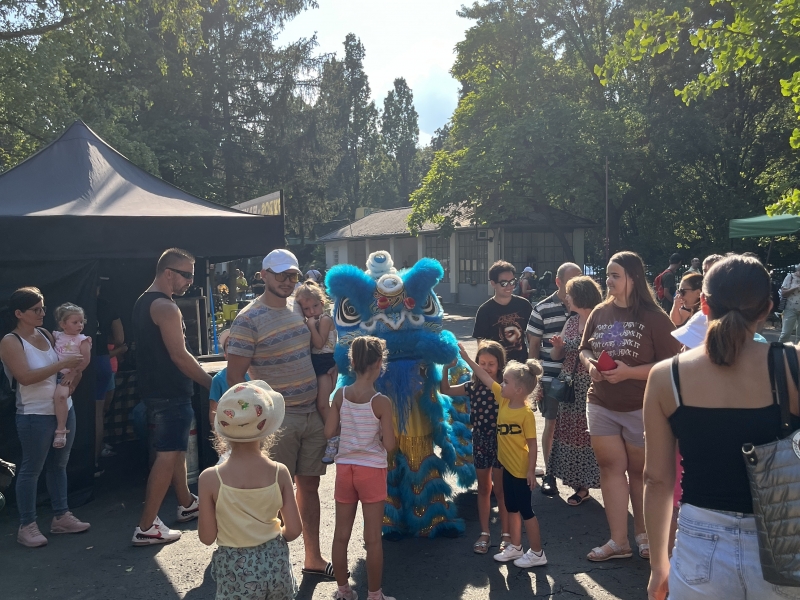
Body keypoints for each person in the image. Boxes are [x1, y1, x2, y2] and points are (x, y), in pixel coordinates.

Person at [643, 255, 800, 600]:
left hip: (700, 544)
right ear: (767, 308)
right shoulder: (792, 365)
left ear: (703, 305)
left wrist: (658, 566)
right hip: (785, 538)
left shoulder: (666, 376)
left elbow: (657, 480)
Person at [227, 248, 336, 579]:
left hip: (312, 413)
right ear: (263, 276)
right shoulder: (248, 319)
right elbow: (235, 378)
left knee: (310, 488)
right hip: (278, 420)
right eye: (281, 275)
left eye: (292, 275)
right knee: (273, 493)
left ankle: (313, 558)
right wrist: (259, 420)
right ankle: (273, 567)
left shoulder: (299, 307)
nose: (288, 281)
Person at [579, 251, 681, 561]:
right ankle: (618, 541)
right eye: (607, 275)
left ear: (633, 278)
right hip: (601, 403)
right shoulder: (599, 312)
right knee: (610, 469)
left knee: (640, 473)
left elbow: (672, 363)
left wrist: (629, 372)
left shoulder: (654, 317)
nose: (608, 281)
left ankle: (645, 535)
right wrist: (591, 367)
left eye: (615, 275)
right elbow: (584, 349)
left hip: (641, 407)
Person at [131, 248, 213, 546]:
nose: (191, 280)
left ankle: (187, 502)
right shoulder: (166, 307)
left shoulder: (144, 301)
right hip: (169, 392)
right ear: (168, 273)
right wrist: (210, 383)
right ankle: (146, 526)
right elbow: (179, 355)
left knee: (176, 450)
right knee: (167, 455)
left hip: (157, 391)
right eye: (187, 274)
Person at [0, 287, 90, 547]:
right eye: (36, 310)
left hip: (63, 408)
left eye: (43, 308)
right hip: (33, 413)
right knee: (32, 469)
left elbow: (63, 370)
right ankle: (27, 525)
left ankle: (61, 516)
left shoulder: (47, 334)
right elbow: (25, 377)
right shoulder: (10, 341)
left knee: (59, 465)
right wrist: (63, 365)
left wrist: (72, 379)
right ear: (18, 313)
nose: (42, 313)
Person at [198, 380, 302, 600]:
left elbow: (207, 537)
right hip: (276, 563)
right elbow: (293, 530)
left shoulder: (209, 479)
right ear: (268, 429)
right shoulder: (279, 472)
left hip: (235, 570)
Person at [460, 344, 548, 568]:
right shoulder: (503, 399)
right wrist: (468, 359)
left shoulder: (526, 414)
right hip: (507, 467)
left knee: (527, 512)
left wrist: (531, 470)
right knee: (512, 509)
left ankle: (537, 552)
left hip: (520, 471)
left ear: (519, 389)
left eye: (506, 382)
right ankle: (516, 547)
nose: (502, 384)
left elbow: (532, 444)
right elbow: (482, 375)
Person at [325, 336, 396, 600]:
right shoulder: (381, 402)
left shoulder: (341, 395)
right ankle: (374, 594)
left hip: (345, 468)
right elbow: (389, 444)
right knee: (373, 539)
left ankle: (344, 590)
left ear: (353, 362)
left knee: (340, 534)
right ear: (380, 363)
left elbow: (329, 431)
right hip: (372, 470)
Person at [441, 340, 509, 554]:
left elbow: (488, 379)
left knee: (500, 490)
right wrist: (445, 368)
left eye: (491, 363)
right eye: (483, 362)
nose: (487, 367)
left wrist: (469, 359)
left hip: (501, 442)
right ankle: (485, 533)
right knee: (483, 488)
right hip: (480, 440)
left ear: (500, 365)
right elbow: (445, 389)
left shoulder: (503, 388)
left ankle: (506, 534)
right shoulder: (472, 387)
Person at [527, 262, 582, 496]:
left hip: (580, 377)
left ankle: (579, 480)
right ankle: (550, 475)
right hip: (551, 377)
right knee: (552, 425)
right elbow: (533, 348)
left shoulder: (589, 309)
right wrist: (534, 382)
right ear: (558, 282)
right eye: (571, 281)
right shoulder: (541, 308)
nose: (576, 286)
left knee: (579, 429)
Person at [547, 276, 602, 506]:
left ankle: (585, 485)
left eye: (569, 294)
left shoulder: (601, 319)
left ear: (580, 295)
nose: (566, 298)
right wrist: (558, 347)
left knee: (589, 435)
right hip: (569, 385)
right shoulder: (571, 321)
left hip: (591, 383)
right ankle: (577, 483)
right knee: (569, 433)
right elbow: (556, 357)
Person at [294, 280, 339, 464]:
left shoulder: (325, 319)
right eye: (306, 309)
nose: (312, 311)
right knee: (319, 404)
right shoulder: (316, 319)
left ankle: (335, 436)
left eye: (315, 306)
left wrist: (311, 326)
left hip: (324, 361)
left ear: (322, 302)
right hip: (316, 361)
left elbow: (319, 344)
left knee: (322, 404)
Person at [93, 282, 126, 476]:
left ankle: (90, 462)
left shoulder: (72, 303)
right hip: (101, 360)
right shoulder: (107, 305)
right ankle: (95, 462)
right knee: (97, 414)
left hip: (82, 362)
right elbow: (120, 338)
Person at [472, 260, 532, 363]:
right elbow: (482, 346)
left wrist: (532, 363)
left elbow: (532, 337)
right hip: (497, 369)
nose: (509, 286)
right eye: (504, 283)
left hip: (522, 367)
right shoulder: (484, 310)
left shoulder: (524, 305)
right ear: (493, 283)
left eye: (512, 282)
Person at [51, 303, 92, 449]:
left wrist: (73, 374)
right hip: (53, 374)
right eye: (75, 322)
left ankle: (61, 430)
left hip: (69, 374)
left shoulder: (83, 340)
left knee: (61, 396)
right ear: (63, 324)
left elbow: (85, 360)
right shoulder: (56, 335)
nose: (80, 325)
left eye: (81, 321)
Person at [208, 330, 250, 429]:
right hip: (229, 431)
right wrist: (218, 437)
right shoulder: (218, 379)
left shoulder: (255, 375)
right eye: (229, 345)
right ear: (225, 355)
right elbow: (213, 410)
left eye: (237, 345)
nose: (233, 348)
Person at [778, 263, 800, 343]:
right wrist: (795, 288)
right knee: (786, 333)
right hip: (790, 308)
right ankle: (778, 351)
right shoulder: (790, 277)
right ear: (798, 270)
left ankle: (798, 353)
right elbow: (784, 293)